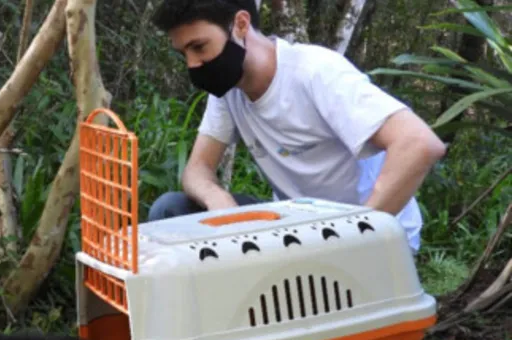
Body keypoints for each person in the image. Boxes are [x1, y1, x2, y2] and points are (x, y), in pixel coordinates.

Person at [147, 0, 446, 253]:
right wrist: (220, 201)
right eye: (183, 54)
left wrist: (358, 233)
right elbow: (197, 169)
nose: (193, 64)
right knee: (171, 210)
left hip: (369, 237)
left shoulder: (314, 72)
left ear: (240, 24)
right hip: (298, 228)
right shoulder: (229, 88)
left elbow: (418, 143)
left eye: (199, 47)